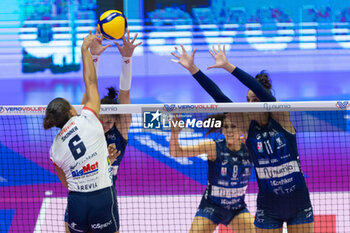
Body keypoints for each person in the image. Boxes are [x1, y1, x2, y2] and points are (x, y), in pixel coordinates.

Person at [171, 44, 314, 233]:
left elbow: (261, 92)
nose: (251, 104)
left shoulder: (281, 117)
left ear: (265, 100)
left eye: (255, 100)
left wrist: (228, 66)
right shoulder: (246, 126)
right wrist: (193, 69)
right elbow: (219, 96)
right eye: (248, 100)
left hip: (298, 201)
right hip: (268, 206)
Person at [63, 30, 141, 233]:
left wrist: (126, 60)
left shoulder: (121, 130)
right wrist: (93, 56)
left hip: (106, 196)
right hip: (80, 191)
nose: (105, 125)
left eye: (109, 122)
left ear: (116, 121)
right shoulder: (85, 126)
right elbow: (91, 88)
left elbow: (125, 93)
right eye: (101, 120)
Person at [44, 34, 119, 233]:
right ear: (71, 111)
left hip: (77, 199)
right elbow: (91, 84)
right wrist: (84, 50)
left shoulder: (55, 148)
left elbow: (64, 178)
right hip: (102, 196)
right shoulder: (88, 119)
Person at [169, 114, 255, 233]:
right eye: (225, 127)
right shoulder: (213, 147)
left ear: (241, 128)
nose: (229, 131)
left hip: (237, 210)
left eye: (233, 127)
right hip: (211, 208)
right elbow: (176, 152)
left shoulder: (250, 147)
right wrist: (175, 134)